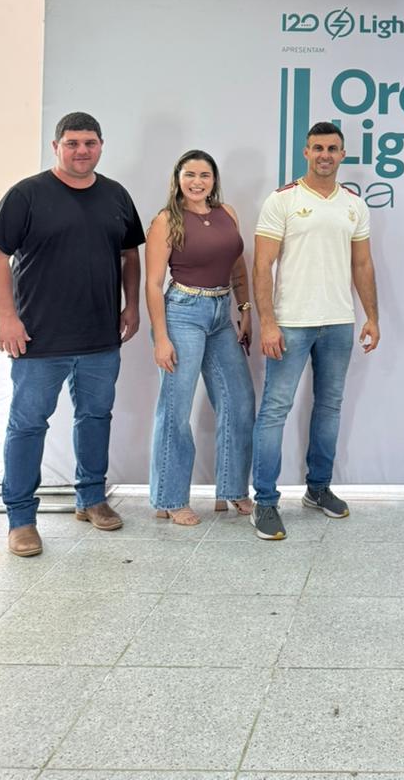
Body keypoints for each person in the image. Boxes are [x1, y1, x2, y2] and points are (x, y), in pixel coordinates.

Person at [0, 111, 145, 557]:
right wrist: (6, 317)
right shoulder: (27, 195)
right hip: (39, 338)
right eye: (72, 143)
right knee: (28, 425)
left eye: (89, 142)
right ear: (56, 147)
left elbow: (130, 254)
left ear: (101, 145)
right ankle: (21, 519)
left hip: (100, 336)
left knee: (95, 417)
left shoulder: (115, 195)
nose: (81, 150)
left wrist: (132, 305)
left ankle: (91, 498)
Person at [250, 122, 380, 539]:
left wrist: (372, 316)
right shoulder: (282, 200)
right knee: (275, 410)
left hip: (339, 322)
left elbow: (362, 264)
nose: (325, 155)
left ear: (342, 155)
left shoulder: (354, 205)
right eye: (318, 148)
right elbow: (262, 265)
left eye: (333, 148)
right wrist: (268, 323)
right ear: (306, 152)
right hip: (290, 323)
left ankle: (318, 488)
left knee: (329, 407)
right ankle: (264, 501)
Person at [145, 149, 256, 525]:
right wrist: (161, 337)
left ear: (214, 180)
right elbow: (153, 283)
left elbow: (237, 264)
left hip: (221, 313)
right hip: (182, 313)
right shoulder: (166, 220)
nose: (197, 182)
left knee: (239, 401)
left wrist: (244, 308)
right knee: (176, 408)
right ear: (178, 179)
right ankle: (170, 498)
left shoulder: (228, 213)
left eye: (204, 175)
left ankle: (233, 489)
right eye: (190, 175)